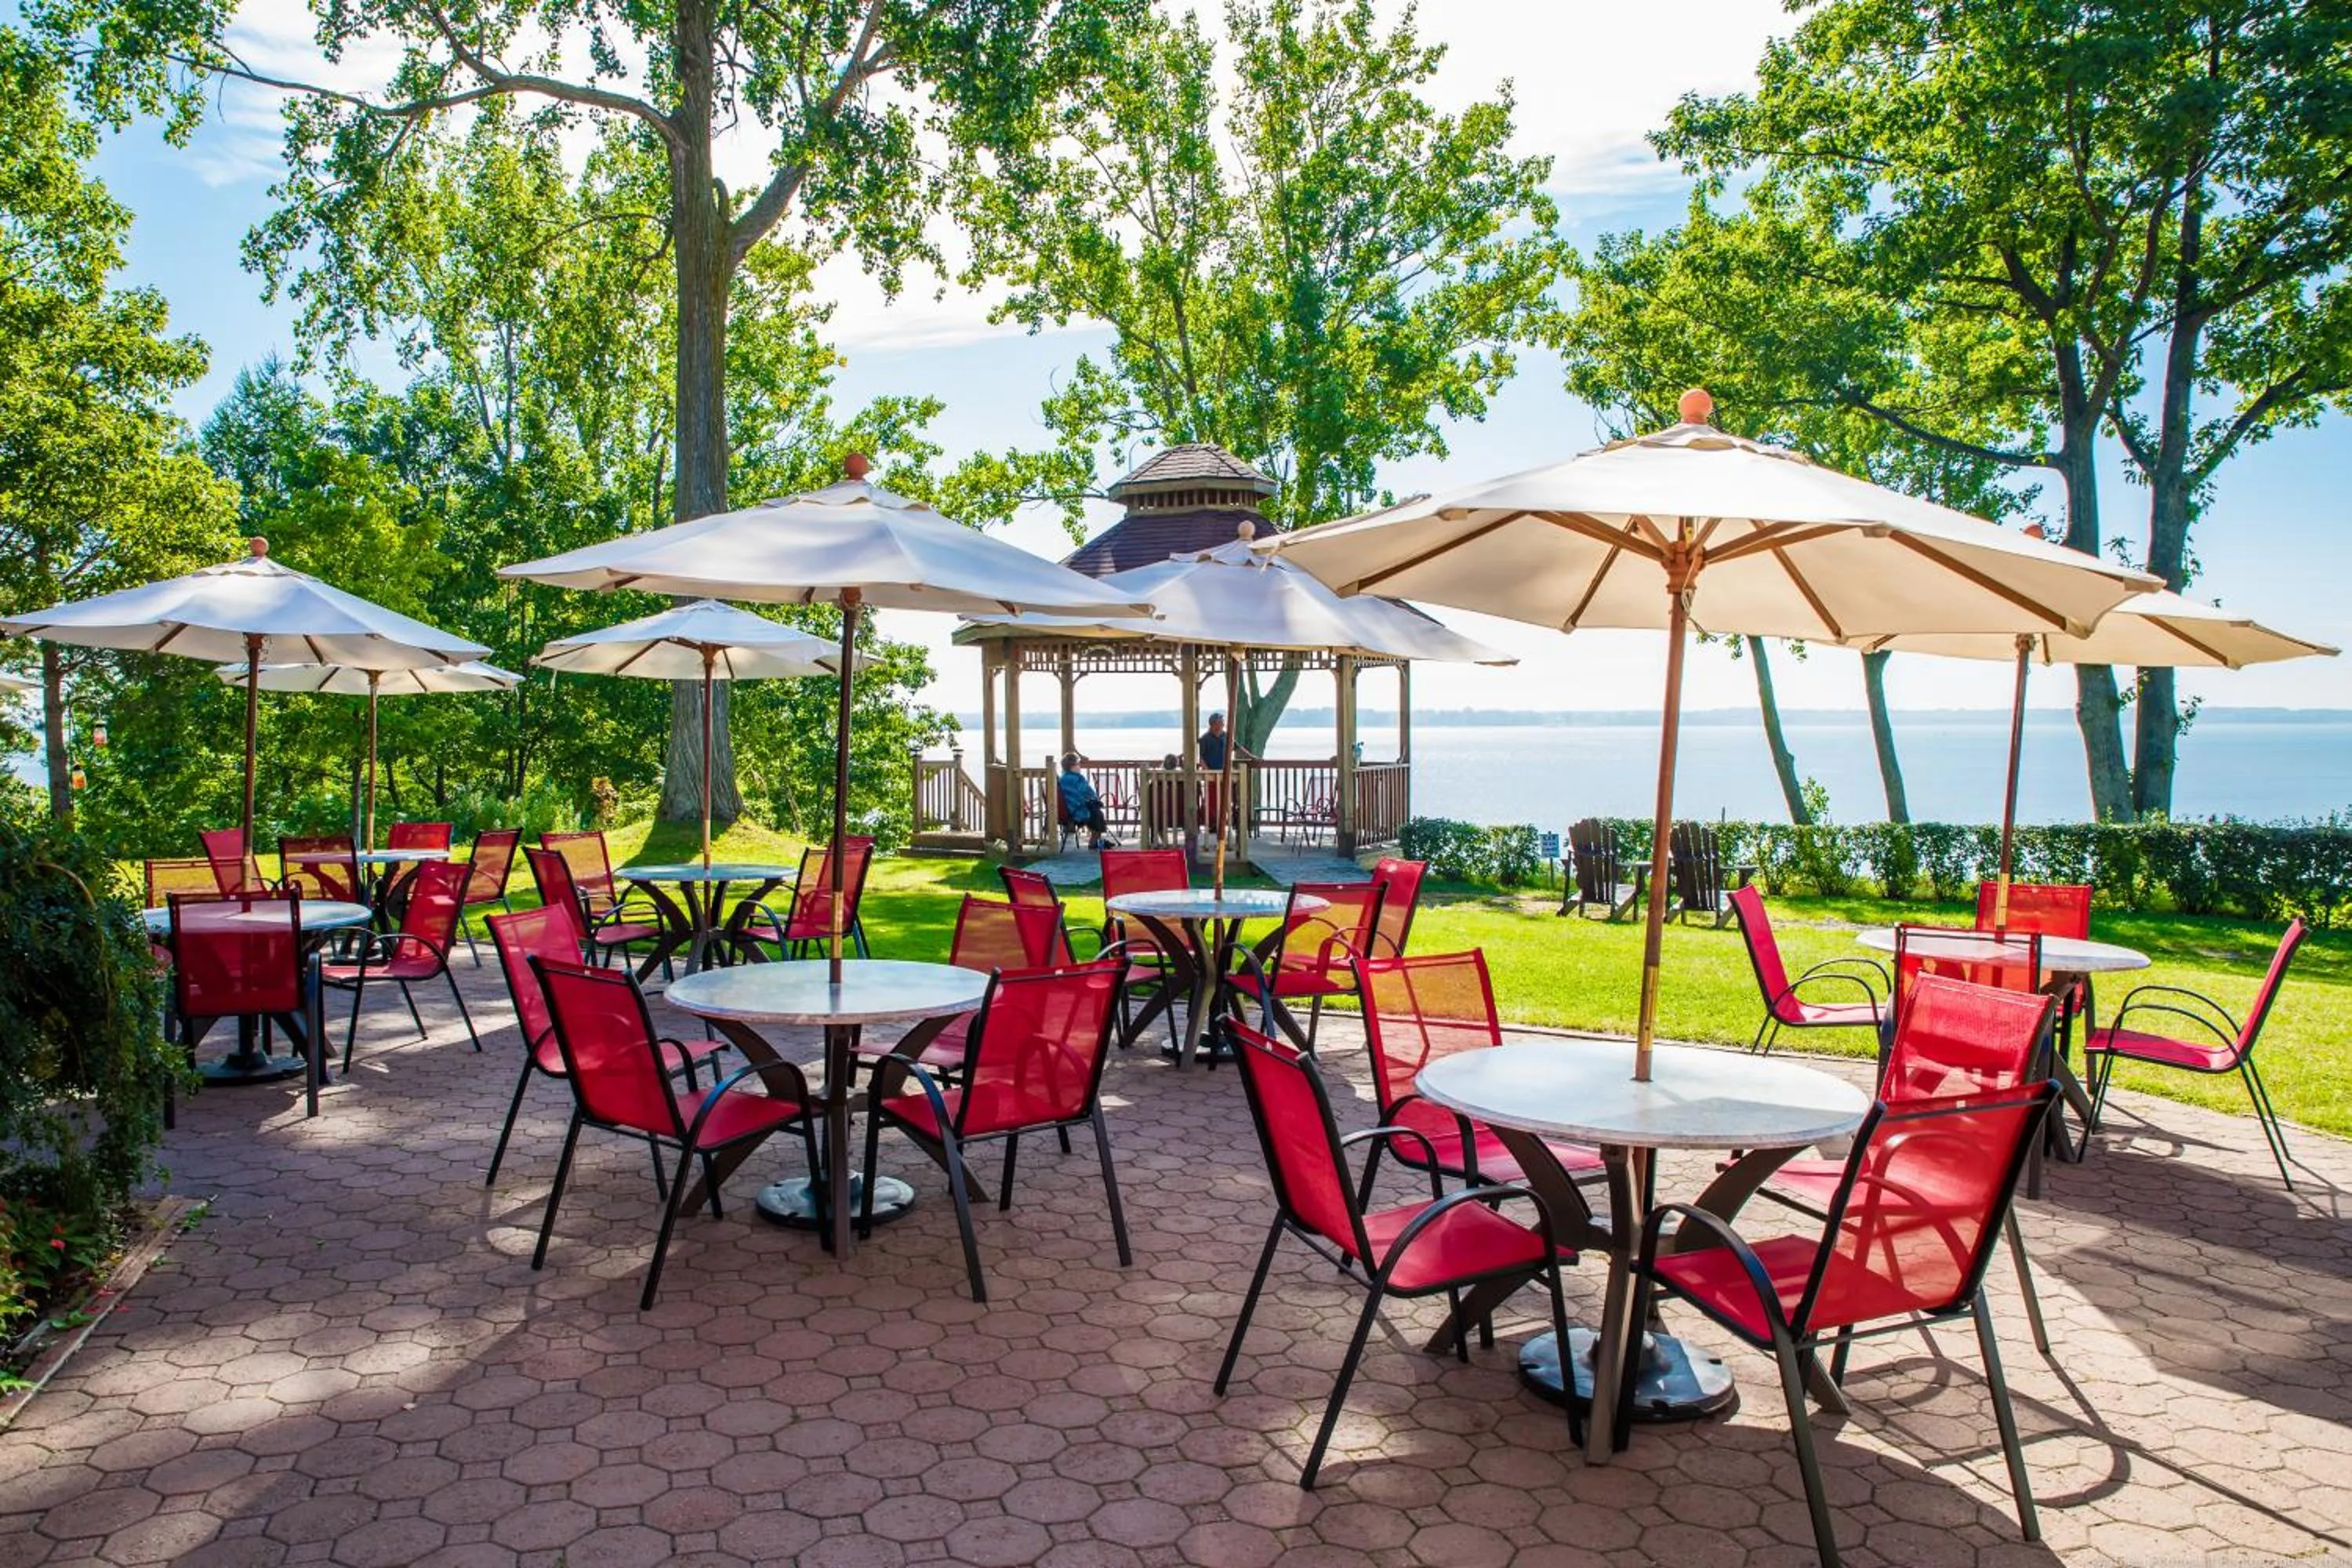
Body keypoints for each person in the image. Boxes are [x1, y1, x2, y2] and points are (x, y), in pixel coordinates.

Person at [1057, 752, 1113, 850]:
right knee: (1097, 813)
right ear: (1072, 766)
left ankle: (1096, 841)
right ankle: (1094, 841)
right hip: (1077, 809)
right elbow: (1085, 793)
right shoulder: (1076, 779)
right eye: (1078, 764)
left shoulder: (1063, 779)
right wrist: (1092, 800)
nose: (1080, 767)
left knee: (1096, 812)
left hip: (1068, 810)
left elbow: (1074, 795)